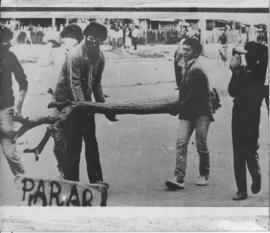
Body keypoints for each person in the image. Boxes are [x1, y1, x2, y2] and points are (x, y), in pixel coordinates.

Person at [53, 22, 117, 184]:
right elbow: (74, 83)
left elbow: (96, 84)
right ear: (85, 37)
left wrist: (104, 107)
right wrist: (82, 107)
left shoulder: (100, 57)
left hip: (84, 102)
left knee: (91, 139)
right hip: (66, 101)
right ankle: (71, 181)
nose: (93, 44)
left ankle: (96, 180)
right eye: (90, 39)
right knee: (73, 141)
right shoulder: (75, 54)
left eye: (98, 41)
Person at [165, 38, 214, 190]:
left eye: (188, 50)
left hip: (201, 112)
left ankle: (204, 174)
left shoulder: (197, 69)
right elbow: (181, 88)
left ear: (196, 52)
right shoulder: (186, 66)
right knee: (181, 142)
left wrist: (176, 107)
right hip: (188, 111)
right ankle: (179, 178)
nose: (184, 52)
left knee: (201, 145)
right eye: (183, 49)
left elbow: (192, 96)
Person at [228, 42, 268, 200]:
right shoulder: (241, 70)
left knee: (249, 151)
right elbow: (232, 91)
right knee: (238, 152)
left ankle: (255, 174)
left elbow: (265, 52)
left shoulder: (260, 71)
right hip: (237, 113)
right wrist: (235, 70)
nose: (247, 56)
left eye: (250, 53)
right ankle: (241, 190)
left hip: (251, 115)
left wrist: (242, 52)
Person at [51, 24, 84, 178]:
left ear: (77, 41)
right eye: (65, 39)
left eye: (72, 40)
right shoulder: (56, 53)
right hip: (56, 99)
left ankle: (69, 174)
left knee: (71, 140)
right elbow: (41, 62)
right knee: (57, 138)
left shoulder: (79, 56)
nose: (67, 42)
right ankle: (61, 168)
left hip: (72, 102)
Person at [0, 25, 28, 175]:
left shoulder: (10, 57)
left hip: (5, 111)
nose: (7, 46)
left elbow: (23, 82)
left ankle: (26, 186)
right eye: (4, 43)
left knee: (10, 153)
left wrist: (19, 106)